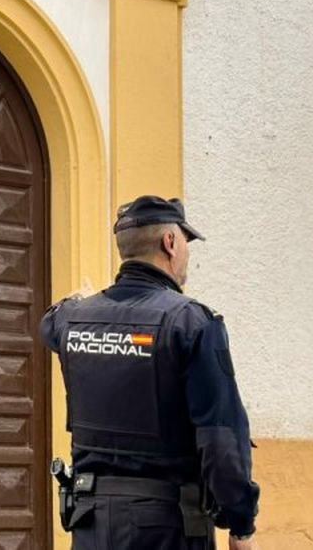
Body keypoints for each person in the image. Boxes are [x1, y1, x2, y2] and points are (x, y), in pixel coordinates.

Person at [40, 196, 259, 550]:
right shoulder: (192, 323)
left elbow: (49, 322)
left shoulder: (71, 320)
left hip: (91, 522)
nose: (187, 253)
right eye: (186, 242)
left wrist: (80, 302)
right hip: (167, 526)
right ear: (170, 242)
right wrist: (241, 524)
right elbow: (221, 438)